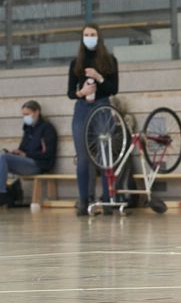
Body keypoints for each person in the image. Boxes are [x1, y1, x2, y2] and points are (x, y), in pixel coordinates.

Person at [68, 24, 119, 216]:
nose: (90, 37)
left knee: (105, 155)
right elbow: (70, 92)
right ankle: (84, 199)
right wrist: (81, 92)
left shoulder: (110, 60)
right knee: (82, 156)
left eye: (93, 34)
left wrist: (99, 78)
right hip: (82, 107)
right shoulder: (76, 63)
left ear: (99, 37)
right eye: (86, 35)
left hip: (102, 106)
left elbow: (114, 88)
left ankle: (108, 199)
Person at [0, 100, 57, 209]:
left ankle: (2, 193)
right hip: (27, 161)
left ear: (37, 112)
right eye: (23, 115)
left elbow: (47, 154)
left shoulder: (47, 128)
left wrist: (26, 154)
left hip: (39, 164)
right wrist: (16, 152)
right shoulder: (28, 128)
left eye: (27, 114)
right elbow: (23, 148)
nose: (25, 117)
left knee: (1, 157)